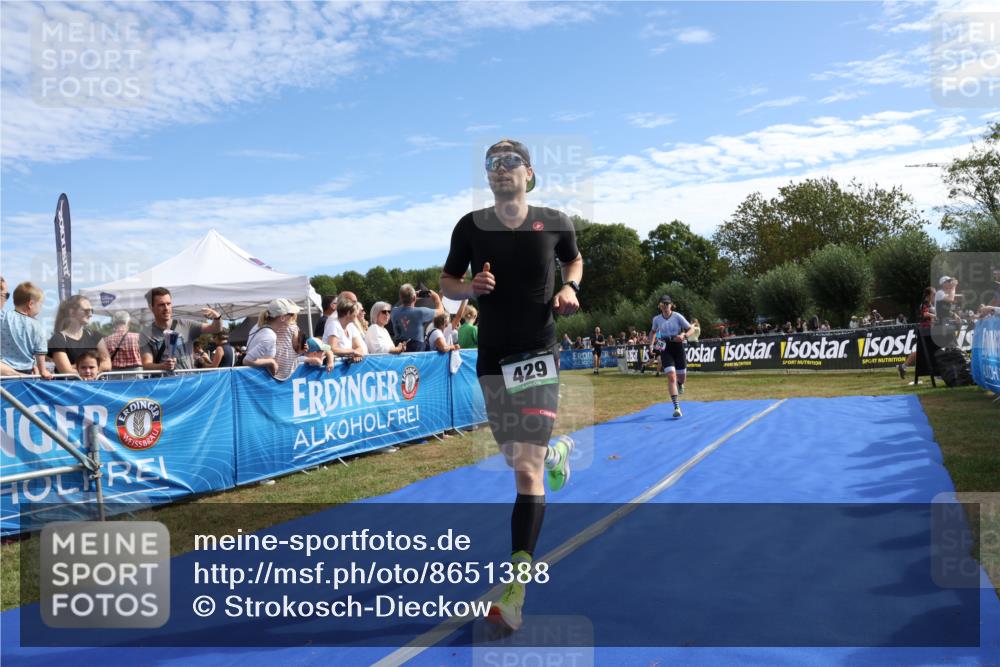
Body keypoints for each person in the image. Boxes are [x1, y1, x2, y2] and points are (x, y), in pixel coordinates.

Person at [440, 138, 583, 632]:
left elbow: (574, 261)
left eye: (509, 163)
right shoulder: (471, 226)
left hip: (537, 352)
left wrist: (570, 286)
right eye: (491, 164)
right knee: (514, 457)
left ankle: (515, 592)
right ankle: (559, 450)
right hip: (493, 358)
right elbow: (447, 281)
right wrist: (468, 288)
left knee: (525, 469)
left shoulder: (556, 221)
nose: (500, 170)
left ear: (529, 172)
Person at [140, 287, 223, 372]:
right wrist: (162, 366)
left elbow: (216, 329)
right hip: (163, 383)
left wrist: (217, 318)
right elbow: (146, 365)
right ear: (151, 307)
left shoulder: (187, 325)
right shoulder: (146, 334)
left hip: (187, 382)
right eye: (161, 305)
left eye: (168, 304)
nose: (166, 308)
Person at [649, 295, 694, 418]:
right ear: (660, 306)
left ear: (671, 305)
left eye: (667, 304)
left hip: (678, 345)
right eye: (662, 304)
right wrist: (651, 345)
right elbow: (653, 332)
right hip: (664, 346)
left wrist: (684, 336)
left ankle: (681, 384)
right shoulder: (657, 319)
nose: (665, 306)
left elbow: (691, 329)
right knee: (671, 376)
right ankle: (677, 407)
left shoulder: (677, 316)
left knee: (681, 377)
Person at [48, 295, 112, 374]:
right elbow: (66, 371)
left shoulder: (95, 336)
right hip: (69, 386)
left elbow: (107, 364)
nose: (90, 314)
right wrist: (92, 367)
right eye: (86, 311)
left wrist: (80, 367)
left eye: (92, 310)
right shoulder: (58, 339)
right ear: (72, 312)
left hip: (93, 386)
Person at [0, 282, 52, 378]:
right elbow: (40, 351)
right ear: (31, 304)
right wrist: (43, 370)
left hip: (4, 372)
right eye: (40, 305)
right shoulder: (37, 326)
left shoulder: (4, 316)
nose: (40, 308)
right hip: (26, 372)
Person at [242, 298, 302, 379]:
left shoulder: (258, 326)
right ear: (282, 318)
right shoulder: (270, 336)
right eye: (291, 314)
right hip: (257, 379)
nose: (293, 317)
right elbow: (247, 360)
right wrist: (271, 362)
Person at [391, 284, 444, 352]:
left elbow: (402, 305)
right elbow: (441, 311)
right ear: (414, 298)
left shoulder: (394, 312)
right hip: (416, 354)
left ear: (400, 297)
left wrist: (412, 297)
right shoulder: (420, 312)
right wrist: (436, 297)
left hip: (399, 353)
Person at [898, 286, 936, 381]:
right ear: (929, 295)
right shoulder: (925, 303)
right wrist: (935, 316)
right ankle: (936, 372)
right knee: (930, 350)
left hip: (929, 329)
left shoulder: (930, 303)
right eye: (933, 294)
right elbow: (925, 314)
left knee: (921, 351)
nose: (935, 296)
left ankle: (903, 366)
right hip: (926, 330)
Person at [323, 294, 366, 362]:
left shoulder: (350, 326)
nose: (356, 315)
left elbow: (358, 347)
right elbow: (333, 349)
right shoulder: (334, 325)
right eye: (355, 312)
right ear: (348, 313)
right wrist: (353, 352)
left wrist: (357, 354)